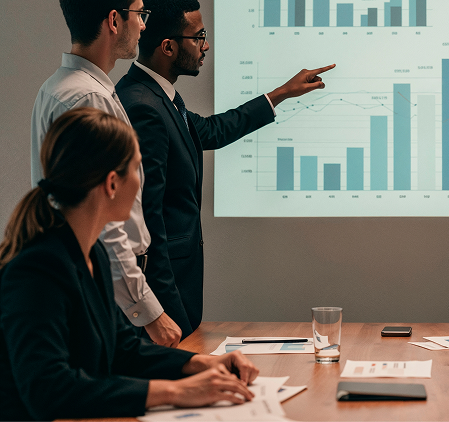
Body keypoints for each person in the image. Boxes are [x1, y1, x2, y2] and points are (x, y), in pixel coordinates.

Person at [1, 107, 260, 421]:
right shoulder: (37, 270)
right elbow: (48, 390)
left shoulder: (91, 251)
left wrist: (198, 364)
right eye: (138, 169)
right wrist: (176, 393)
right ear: (112, 183)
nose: (142, 182)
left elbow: (122, 348)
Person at [116, 0, 335, 338]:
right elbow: (147, 220)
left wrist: (281, 93)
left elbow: (211, 131)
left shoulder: (160, 97)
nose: (205, 46)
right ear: (168, 47)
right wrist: (163, 314)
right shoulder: (143, 105)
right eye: (199, 37)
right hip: (165, 302)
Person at [31, 0, 182, 347]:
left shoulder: (63, 86)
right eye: (139, 14)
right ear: (114, 20)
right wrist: (149, 312)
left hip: (106, 282)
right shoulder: (88, 96)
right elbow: (103, 217)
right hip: (112, 288)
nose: (144, 25)